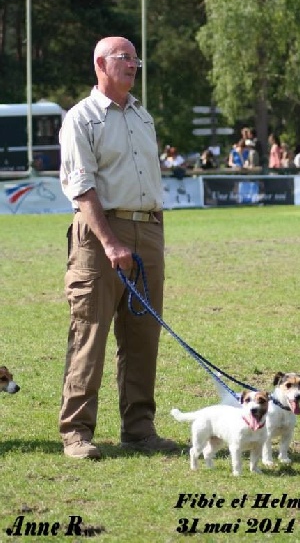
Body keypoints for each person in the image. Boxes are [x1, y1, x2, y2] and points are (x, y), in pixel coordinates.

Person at [58, 36, 178, 460]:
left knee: (144, 336)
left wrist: (152, 233)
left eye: (135, 59)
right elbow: (81, 184)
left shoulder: (142, 116)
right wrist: (110, 241)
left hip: (148, 231)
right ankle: (76, 433)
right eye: (124, 58)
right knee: (89, 333)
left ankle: (140, 429)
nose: (133, 65)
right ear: (100, 64)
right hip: (99, 234)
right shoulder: (82, 118)